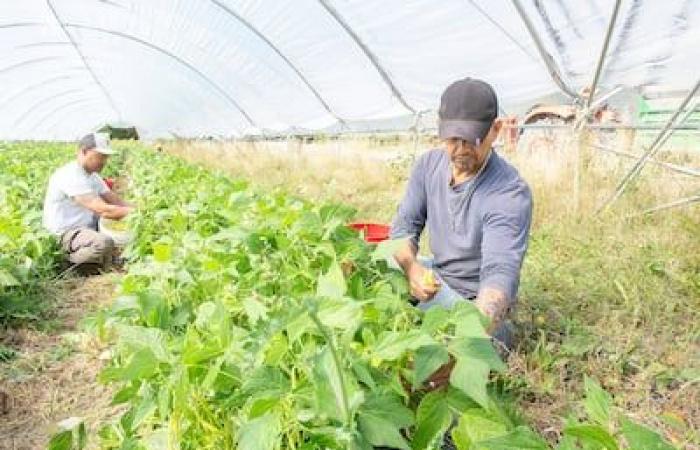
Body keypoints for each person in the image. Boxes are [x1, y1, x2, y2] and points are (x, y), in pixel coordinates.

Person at [391, 78, 533, 348]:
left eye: (472, 139)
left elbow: (499, 273)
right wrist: (412, 269)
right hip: (436, 275)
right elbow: (404, 227)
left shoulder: (509, 193)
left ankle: (484, 338)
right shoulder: (429, 165)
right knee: (378, 260)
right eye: (452, 138)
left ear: (496, 129)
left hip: (469, 299)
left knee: (476, 343)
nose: (460, 149)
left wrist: (470, 341)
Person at [43, 132, 133, 272]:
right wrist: (135, 214)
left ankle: (98, 260)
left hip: (85, 227)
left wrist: (141, 209)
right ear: (84, 151)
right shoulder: (70, 175)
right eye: (100, 156)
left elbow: (114, 200)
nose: (104, 161)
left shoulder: (92, 176)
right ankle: (67, 263)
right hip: (66, 233)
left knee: (112, 229)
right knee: (103, 243)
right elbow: (103, 209)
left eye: (106, 157)